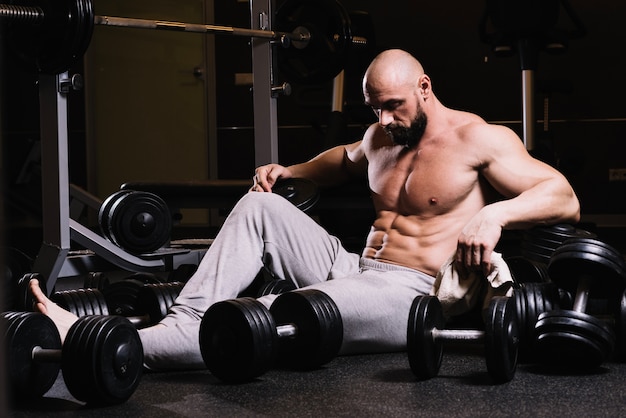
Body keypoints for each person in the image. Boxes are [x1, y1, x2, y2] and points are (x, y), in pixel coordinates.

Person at [30, 48, 580, 371]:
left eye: (395, 106)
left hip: (413, 292)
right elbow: (342, 159)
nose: (385, 119)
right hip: (354, 269)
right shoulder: (379, 137)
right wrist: (289, 171)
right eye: (376, 109)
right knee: (259, 207)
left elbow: (564, 197)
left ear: (425, 87)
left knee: (275, 313)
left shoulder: (480, 139)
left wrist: (495, 216)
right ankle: (186, 321)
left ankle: (106, 342)